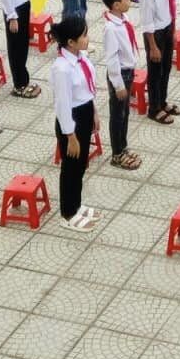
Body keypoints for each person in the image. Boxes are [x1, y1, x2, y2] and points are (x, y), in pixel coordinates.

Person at [50, 14, 99, 231]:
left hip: (85, 110)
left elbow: (87, 88)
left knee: (80, 165)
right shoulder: (62, 68)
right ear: (70, 42)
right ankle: (68, 212)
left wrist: (94, 112)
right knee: (71, 167)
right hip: (71, 119)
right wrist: (70, 136)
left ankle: (77, 204)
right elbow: (63, 105)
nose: (87, 39)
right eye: (83, 36)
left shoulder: (81, 57)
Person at [99, 0, 143, 172]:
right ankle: (117, 153)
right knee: (117, 115)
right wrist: (118, 85)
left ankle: (123, 147)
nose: (130, 0)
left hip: (128, 71)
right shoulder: (111, 28)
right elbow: (111, 59)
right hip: (120, 75)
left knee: (124, 113)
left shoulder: (123, 19)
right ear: (116, 5)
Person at [140, 0, 180, 124]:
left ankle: (162, 101)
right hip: (154, 34)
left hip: (167, 28)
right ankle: (154, 108)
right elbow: (147, 22)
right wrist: (153, 46)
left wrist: (173, 30)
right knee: (155, 71)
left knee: (166, 68)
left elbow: (172, 7)